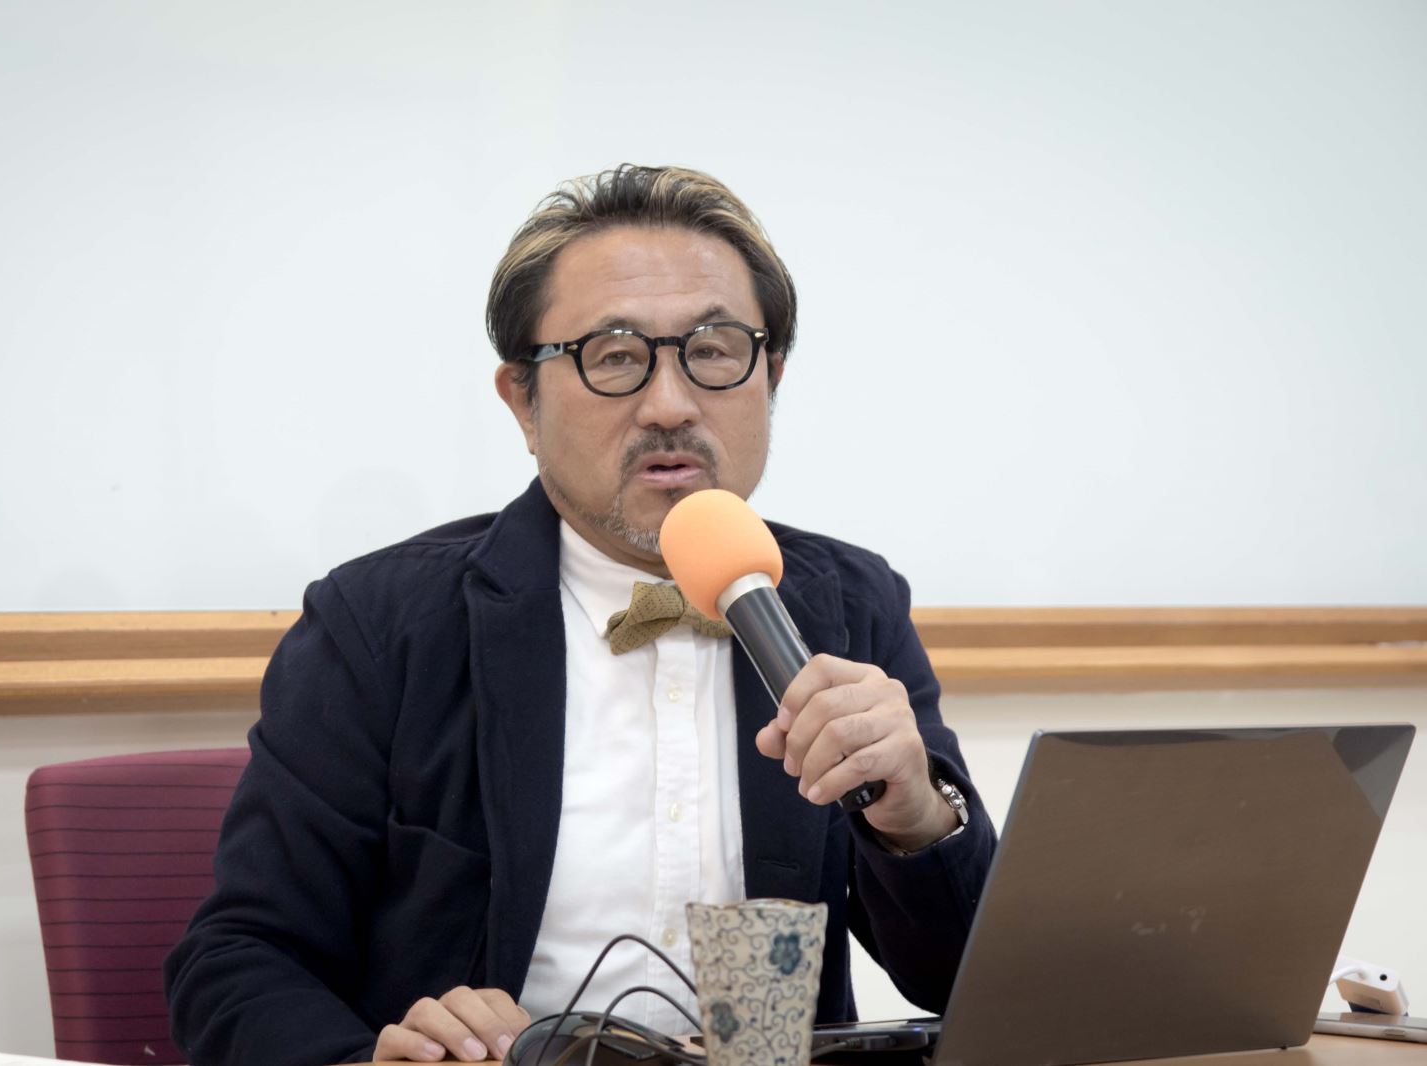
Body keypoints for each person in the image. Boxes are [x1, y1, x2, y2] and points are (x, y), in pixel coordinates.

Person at [165, 164, 997, 1066]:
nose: (670, 404)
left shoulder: (851, 604)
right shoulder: (380, 623)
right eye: (614, 357)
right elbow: (236, 961)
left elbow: (970, 982)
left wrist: (916, 817)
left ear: (771, 379)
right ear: (522, 400)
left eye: (716, 350)